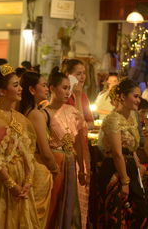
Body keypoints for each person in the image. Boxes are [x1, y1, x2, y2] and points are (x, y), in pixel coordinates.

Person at [0, 58, 40, 228]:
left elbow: (29, 152)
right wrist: (11, 184)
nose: (21, 89)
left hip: (22, 180)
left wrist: (28, 180)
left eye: (20, 84)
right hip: (1, 181)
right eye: (16, 85)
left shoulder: (20, 118)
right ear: (2, 91)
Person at [97, 79, 147, 228]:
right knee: (118, 214)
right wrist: (125, 182)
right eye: (135, 96)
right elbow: (118, 153)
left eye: (139, 97)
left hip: (130, 167)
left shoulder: (132, 117)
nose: (139, 100)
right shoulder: (113, 119)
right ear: (123, 97)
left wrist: (138, 166)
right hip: (115, 169)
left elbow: (132, 148)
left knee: (139, 212)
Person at [45, 67, 87, 228]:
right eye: (64, 88)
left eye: (69, 88)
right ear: (52, 88)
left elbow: (78, 142)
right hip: (54, 166)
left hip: (71, 163)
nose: (67, 92)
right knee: (53, 204)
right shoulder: (44, 113)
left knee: (70, 204)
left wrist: (82, 168)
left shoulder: (72, 111)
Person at [19, 71, 57, 228]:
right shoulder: (36, 114)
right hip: (38, 168)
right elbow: (45, 152)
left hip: (27, 166)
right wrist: (55, 169)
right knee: (36, 219)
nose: (47, 89)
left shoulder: (23, 111)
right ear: (32, 90)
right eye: (43, 85)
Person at [61, 58, 92, 227]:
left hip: (82, 146)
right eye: (78, 74)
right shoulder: (63, 98)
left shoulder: (82, 96)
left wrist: (79, 96)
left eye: (84, 73)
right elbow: (77, 125)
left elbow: (88, 122)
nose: (82, 77)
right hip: (69, 149)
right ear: (68, 76)